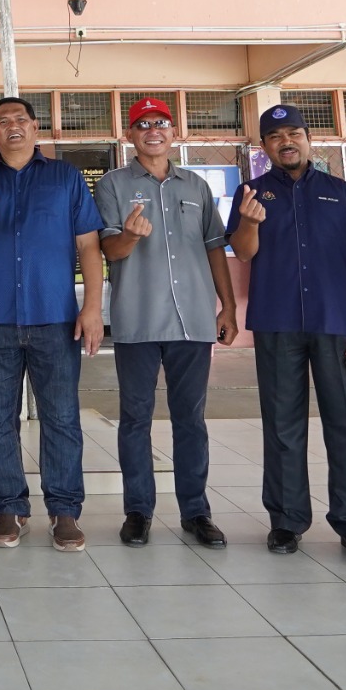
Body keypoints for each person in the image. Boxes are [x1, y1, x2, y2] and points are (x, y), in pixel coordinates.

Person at [227, 103, 346, 564]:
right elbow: (243, 252)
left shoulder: (341, 192)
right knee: (282, 424)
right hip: (277, 323)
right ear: (264, 146)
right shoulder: (251, 192)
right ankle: (286, 520)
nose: (286, 142)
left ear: (308, 139)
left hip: (339, 325)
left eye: (294, 133)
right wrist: (250, 223)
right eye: (276, 137)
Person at [0, 95, 105, 552]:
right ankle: (10, 508)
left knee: (61, 417)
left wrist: (93, 307)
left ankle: (64, 510)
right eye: (3, 121)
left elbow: (88, 245)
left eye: (20, 119)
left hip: (54, 316)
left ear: (35, 128)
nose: (13, 126)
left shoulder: (65, 178)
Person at [95, 97, 236, 548]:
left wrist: (228, 307)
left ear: (174, 132)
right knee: (135, 419)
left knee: (190, 419)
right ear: (129, 135)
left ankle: (196, 512)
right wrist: (130, 236)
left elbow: (215, 247)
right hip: (138, 319)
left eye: (161, 123)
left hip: (193, 319)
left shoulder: (196, 186)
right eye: (143, 124)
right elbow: (109, 251)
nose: (152, 130)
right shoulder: (113, 185)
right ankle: (138, 511)